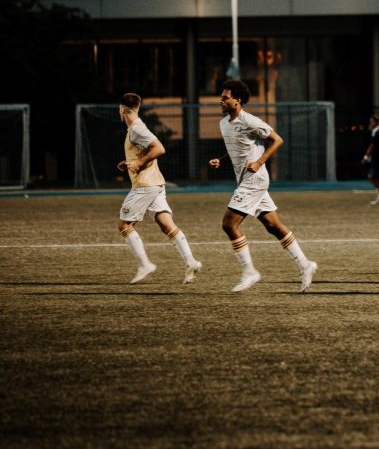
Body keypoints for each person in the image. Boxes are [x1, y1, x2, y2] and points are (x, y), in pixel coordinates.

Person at [209, 79, 318, 293]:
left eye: (225, 97)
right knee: (273, 226)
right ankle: (306, 264)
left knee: (229, 224)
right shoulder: (224, 124)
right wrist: (221, 160)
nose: (221, 100)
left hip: (255, 180)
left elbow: (277, 140)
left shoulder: (250, 121)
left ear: (237, 101)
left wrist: (259, 162)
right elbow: (238, 148)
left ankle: (250, 271)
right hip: (245, 180)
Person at [116, 93, 202, 285]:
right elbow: (147, 151)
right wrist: (131, 162)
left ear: (121, 109)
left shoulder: (137, 129)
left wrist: (138, 162)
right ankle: (191, 262)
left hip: (145, 185)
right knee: (166, 224)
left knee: (124, 226)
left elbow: (159, 148)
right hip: (155, 183)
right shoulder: (135, 128)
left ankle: (145, 264)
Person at [362, 114, 379, 205]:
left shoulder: (377, 131)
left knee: (371, 176)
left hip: (378, 158)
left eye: (372, 122)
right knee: (378, 177)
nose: (370, 123)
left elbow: (372, 145)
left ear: (376, 122)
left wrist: (366, 156)